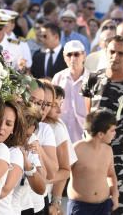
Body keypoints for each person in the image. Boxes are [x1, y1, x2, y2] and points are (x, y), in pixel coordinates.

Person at [81, 36, 123, 209]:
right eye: (112, 51)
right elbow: (88, 114)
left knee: (114, 204)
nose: (115, 56)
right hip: (92, 151)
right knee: (89, 199)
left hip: (118, 155)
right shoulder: (93, 79)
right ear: (106, 51)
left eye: (120, 53)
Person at [67, 108, 120, 215]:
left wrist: (115, 194)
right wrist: (56, 200)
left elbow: (111, 174)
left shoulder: (108, 150)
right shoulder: (77, 149)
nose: (115, 133)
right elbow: (63, 173)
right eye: (112, 130)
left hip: (103, 206)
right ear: (100, 134)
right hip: (80, 207)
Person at [0, 99, 28, 215]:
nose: (1, 127)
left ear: (13, 130)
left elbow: (3, 191)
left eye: (8, 124)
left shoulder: (14, 153)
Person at [44, 84, 76, 215]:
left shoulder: (57, 127)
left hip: (42, 196)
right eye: (54, 105)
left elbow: (65, 168)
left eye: (60, 104)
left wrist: (56, 201)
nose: (59, 111)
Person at [52, 40, 89, 143]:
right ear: (64, 57)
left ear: (84, 55)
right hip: (61, 137)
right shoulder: (58, 78)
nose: (73, 59)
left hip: (84, 137)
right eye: (69, 55)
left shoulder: (92, 79)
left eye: (76, 54)